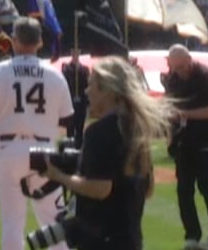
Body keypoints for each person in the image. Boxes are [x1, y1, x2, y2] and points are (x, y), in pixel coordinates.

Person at [42, 56, 174, 250]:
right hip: (130, 239)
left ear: (108, 91)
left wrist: (59, 176)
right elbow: (148, 189)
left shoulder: (99, 131)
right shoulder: (136, 127)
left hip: (101, 240)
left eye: (91, 86)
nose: (87, 92)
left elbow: (100, 189)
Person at [0, 17, 74, 250]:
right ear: (40, 42)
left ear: (14, 40)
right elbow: (68, 119)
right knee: (52, 221)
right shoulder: (54, 74)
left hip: (9, 149)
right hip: (45, 151)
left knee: (12, 222)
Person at [163, 44, 208, 250]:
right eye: (176, 67)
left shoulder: (206, 76)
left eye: (183, 66)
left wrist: (185, 115)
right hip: (185, 143)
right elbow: (169, 108)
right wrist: (170, 136)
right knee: (184, 190)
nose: (181, 71)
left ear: (189, 59)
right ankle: (192, 235)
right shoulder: (173, 80)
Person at [61, 47, 91, 148]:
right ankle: (70, 146)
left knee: (80, 127)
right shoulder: (66, 68)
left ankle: (79, 146)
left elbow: (87, 83)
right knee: (70, 127)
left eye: (77, 52)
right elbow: (66, 81)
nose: (75, 54)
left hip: (81, 101)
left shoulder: (84, 69)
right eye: (73, 51)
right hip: (70, 100)